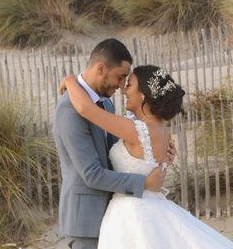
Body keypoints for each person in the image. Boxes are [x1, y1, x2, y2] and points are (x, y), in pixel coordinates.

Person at [62, 64, 233, 248]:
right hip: (151, 206)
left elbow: (85, 109)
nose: (124, 90)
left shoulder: (135, 129)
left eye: (129, 85)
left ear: (143, 95)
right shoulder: (160, 128)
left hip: (131, 213)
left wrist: (70, 81)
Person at [53, 39, 170, 249]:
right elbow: (91, 174)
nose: (122, 85)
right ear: (101, 68)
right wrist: (144, 182)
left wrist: (152, 150)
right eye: (121, 76)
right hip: (85, 223)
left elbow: (119, 152)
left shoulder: (105, 103)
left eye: (127, 79)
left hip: (116, 217)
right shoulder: (69, 109)